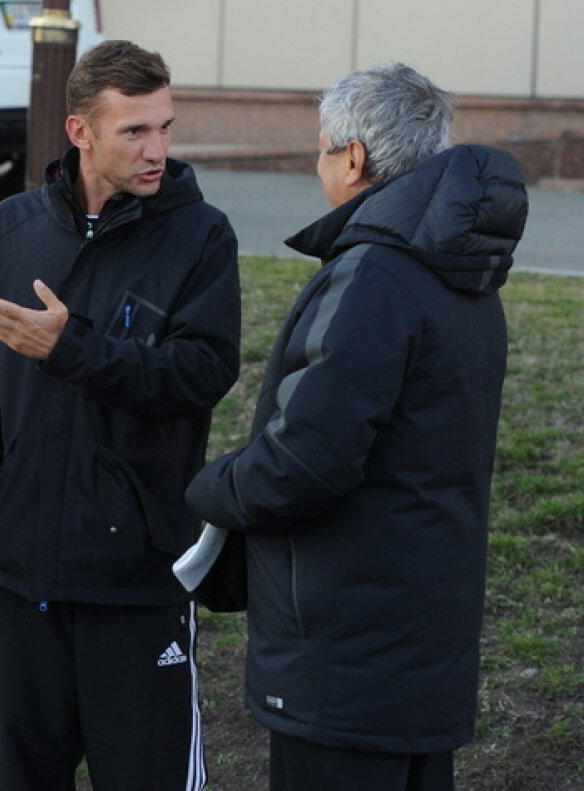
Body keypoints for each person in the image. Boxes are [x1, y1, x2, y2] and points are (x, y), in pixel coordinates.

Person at [184, 62, 528, 790]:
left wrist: (210, 487)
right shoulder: (463, 273)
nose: (318, 166)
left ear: (354, 157)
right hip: (419, 643)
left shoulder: (376, 273)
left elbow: (300, 466)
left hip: (346, 659)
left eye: (320, 149)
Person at [0, 40, 241, 791]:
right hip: (19, 570)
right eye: (135, 130)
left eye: (165, 126)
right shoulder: (13, 228)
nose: (157, 148)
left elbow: (200, 374)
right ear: (80, 132)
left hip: (136, 578)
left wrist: (71, 347)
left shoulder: (201, 237)